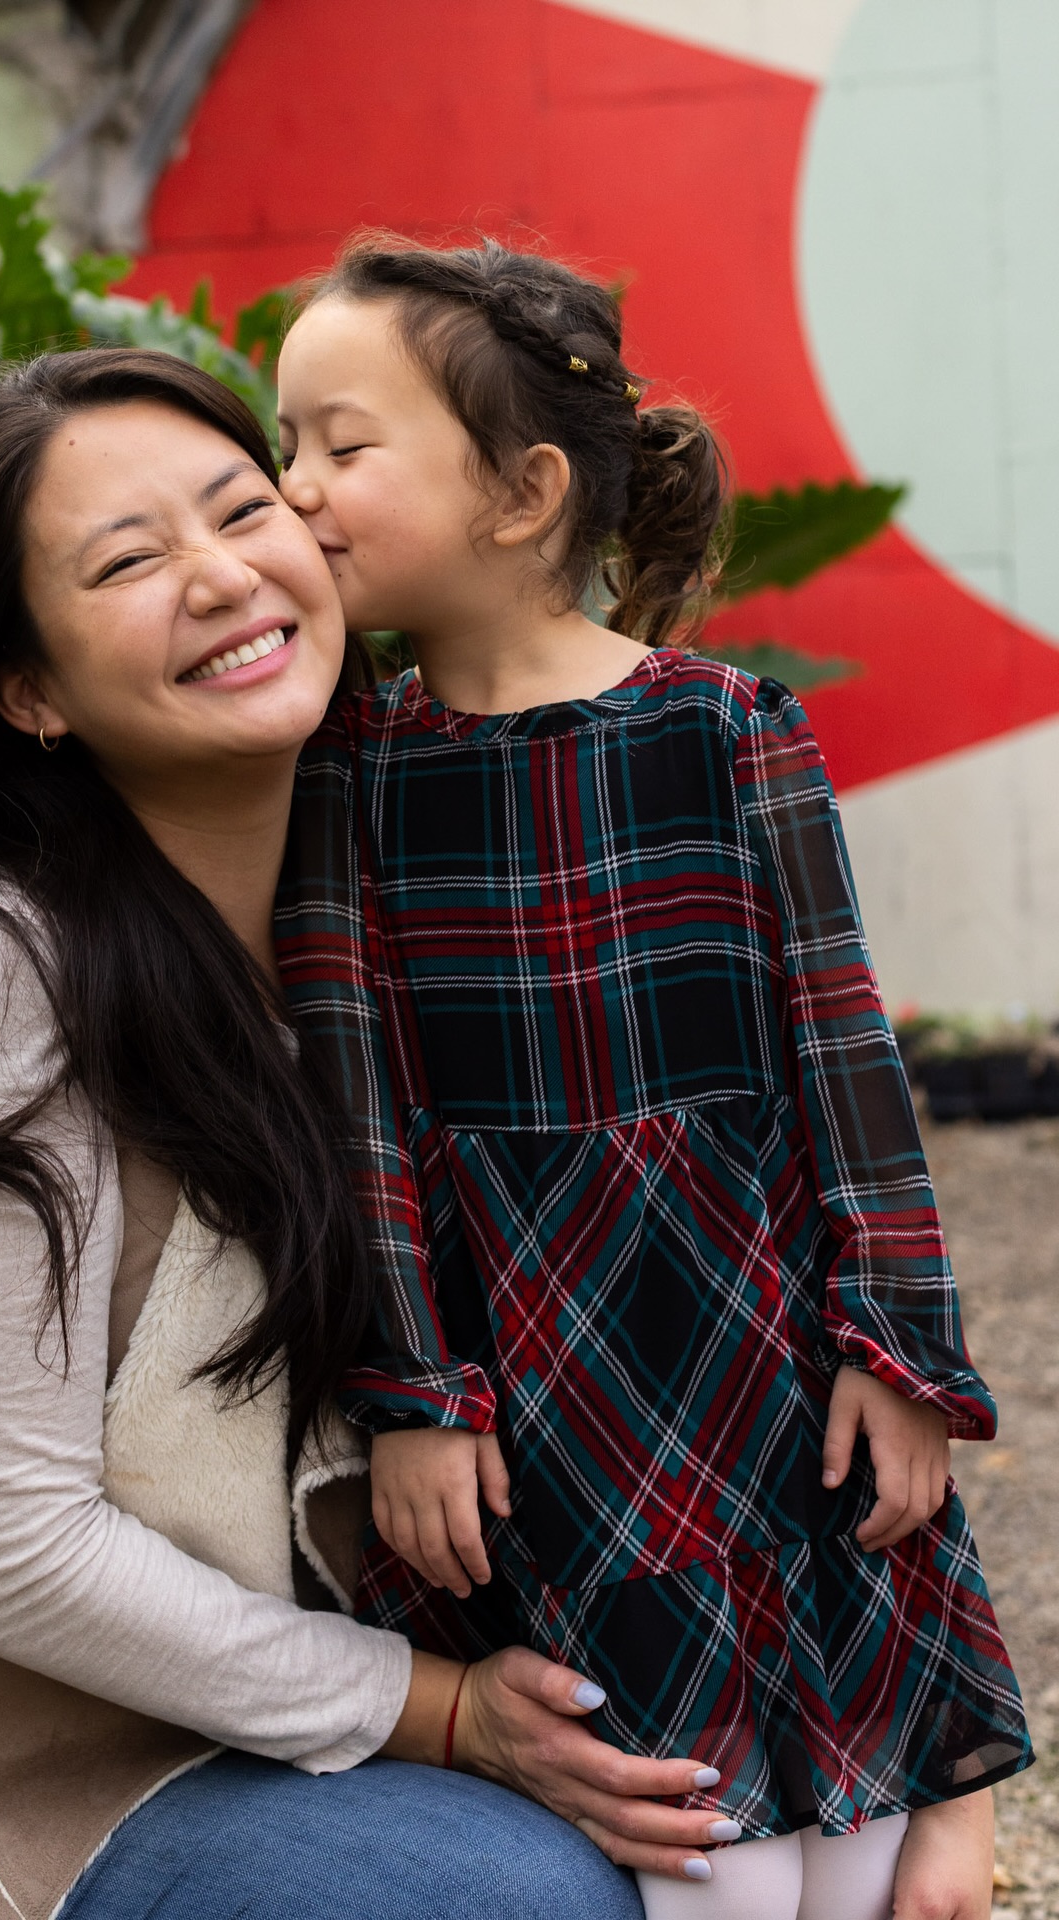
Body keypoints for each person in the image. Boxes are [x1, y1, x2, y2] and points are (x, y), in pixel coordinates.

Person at [0, 347, 741, 1920]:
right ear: (28, 689)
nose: (216, 576)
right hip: (16, 1788)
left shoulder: (432, 883)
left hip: (323, 1691)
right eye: (125, 561)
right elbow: (7, 1555)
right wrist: (447, 1716)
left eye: (241, 509)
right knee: (505, 1899)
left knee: (734, 1816)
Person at [273, 238, 1031, 1920]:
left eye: (343, 444)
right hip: (537, 1373)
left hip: (754, 1321)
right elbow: (358, 1113)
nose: (294, 491)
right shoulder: (350, 772)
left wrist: (898, 1347)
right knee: (692, 1848)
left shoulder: (728, 732)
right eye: (287, 444)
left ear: (521, 491)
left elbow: (842, 1055)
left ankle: (939, 1820)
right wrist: (413, 1397)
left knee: (877, 1852)